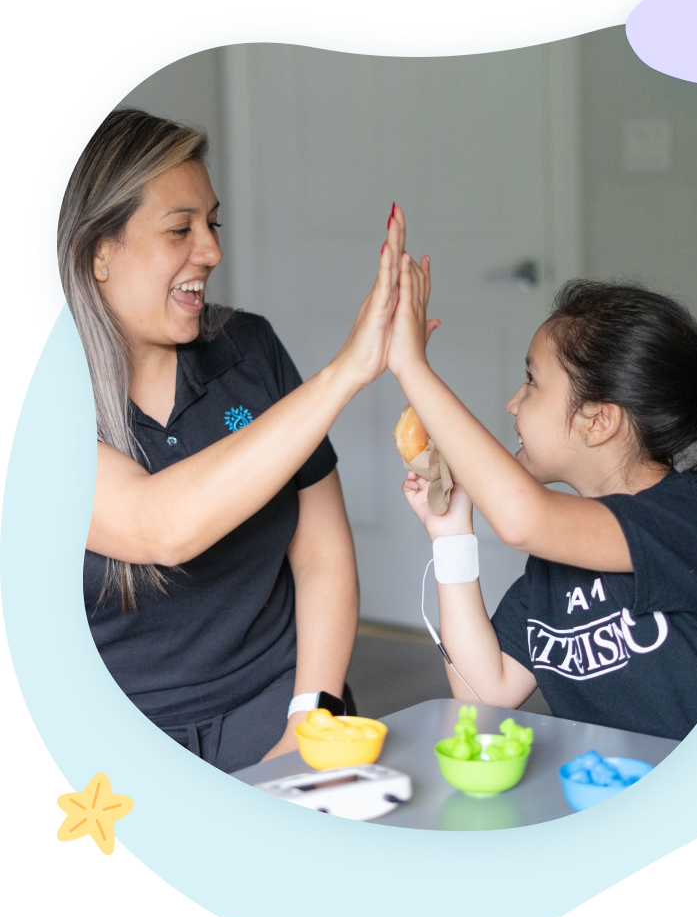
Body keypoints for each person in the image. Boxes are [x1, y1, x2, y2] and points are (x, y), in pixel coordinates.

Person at [58, 109, 429, 772]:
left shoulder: (248, 349)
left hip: (277, 703)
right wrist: (345, 372)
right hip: (112, 747)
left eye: (211, 224)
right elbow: (157, 527)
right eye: (180, 229)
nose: (211, 250)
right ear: (99, 253)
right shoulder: (43, 406)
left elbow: (320, 552)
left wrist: (308, 718)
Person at [388, 239, 697, 741]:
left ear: (599, 420)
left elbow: (523, 519)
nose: (513, 404)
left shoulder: (689, 516)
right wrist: (451, 533)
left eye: (531, 382)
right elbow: (485, 691)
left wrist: (412, 367)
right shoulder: (555, 560)